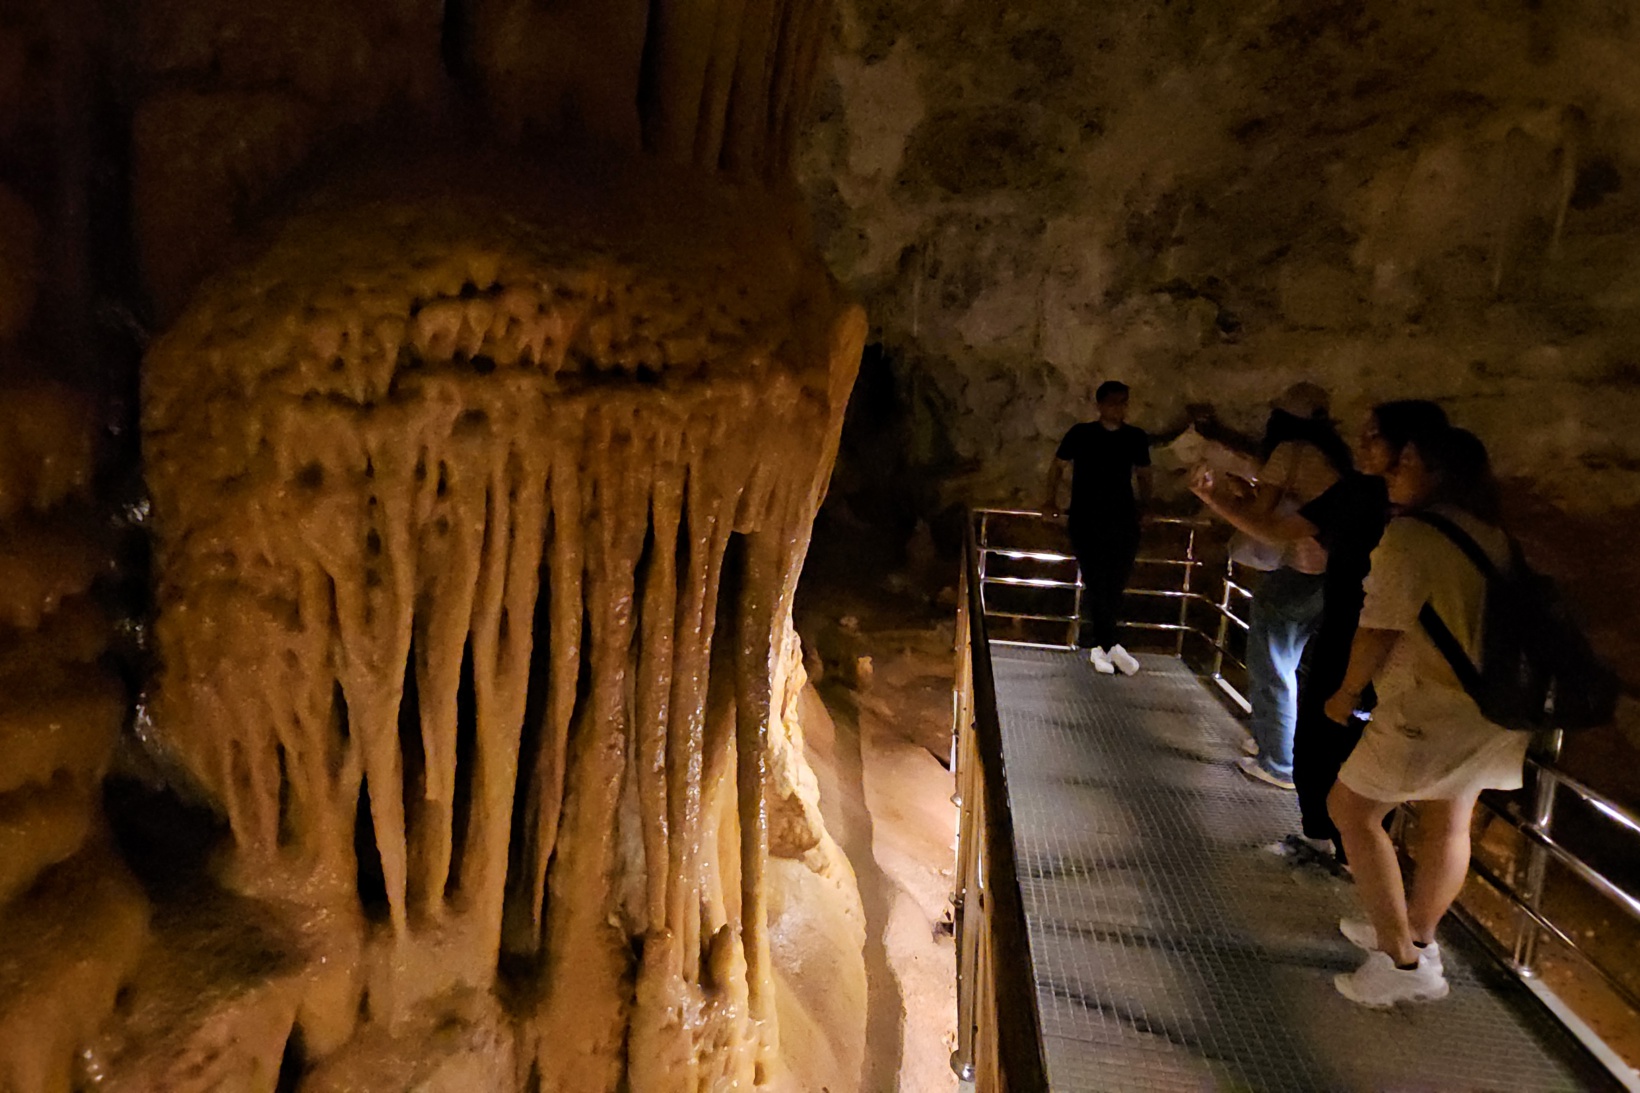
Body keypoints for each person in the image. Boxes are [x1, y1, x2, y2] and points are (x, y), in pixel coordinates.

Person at [1191, 400, 1449, 861]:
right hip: (1372, 633)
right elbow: (1278, 528)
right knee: (1332, 743)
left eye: (1375, 437)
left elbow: (1275, 529)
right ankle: (1333, 841)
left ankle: (1349, 852)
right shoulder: (1369, 494)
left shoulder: (1393, 508)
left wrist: (1215, 498)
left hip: (1375, 635)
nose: (1362, 443)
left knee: (1341, 740)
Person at [1326, 426, 1526, 1006]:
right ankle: (1417, 935)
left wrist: (1345, 693)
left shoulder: (1411, 535)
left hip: (1429, 704)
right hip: (1490, 708)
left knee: (1352, 809)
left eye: (1407, 460)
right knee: (1449, 818)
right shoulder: (1492, 534)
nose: (1394, 467)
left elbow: (1381, 625)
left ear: (1438, 470)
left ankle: (1400, 963)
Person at [1220, 383, 1351, 790]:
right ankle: (1269, 740)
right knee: (1292, 663)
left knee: (1272, 661)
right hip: (1331, 575)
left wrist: (1219, 498)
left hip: (1297, 569)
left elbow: (1263, 522)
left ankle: (1278, 762)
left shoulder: (1290, 452)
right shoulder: (1333, 458)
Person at [1045, 380, 1153, 675]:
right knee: (1095, 580)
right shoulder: (1081, 434)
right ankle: (1108, 644)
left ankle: (1104, 646)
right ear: (1101, 405)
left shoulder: (1135, 438)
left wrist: (1146, 507)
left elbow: (1144, 475)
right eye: (1114, 402)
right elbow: (1057, 466)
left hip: (1122, 518)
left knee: (1115, 582)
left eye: (1123, 402)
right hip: (1086, 518)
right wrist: (1048, 500)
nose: (1119, 408)